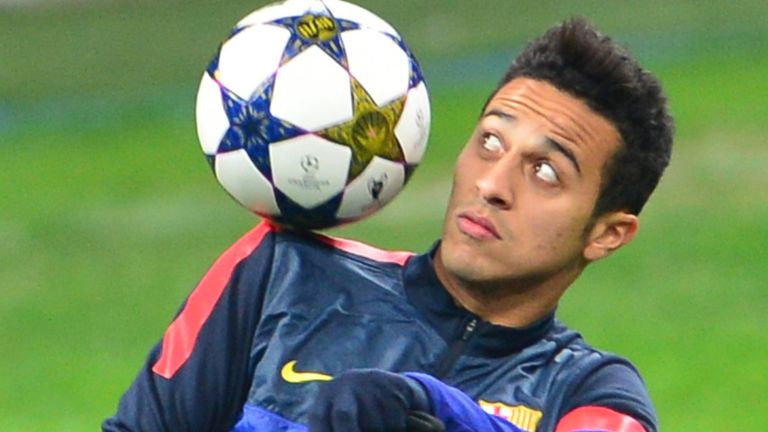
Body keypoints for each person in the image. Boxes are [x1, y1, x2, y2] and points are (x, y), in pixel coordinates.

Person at [104, 16, 673, 432]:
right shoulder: (279, 275)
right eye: (491, 141)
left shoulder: (592, 391)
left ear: (607, 233)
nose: (493, 184)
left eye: (545, 171)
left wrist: (432, 409)